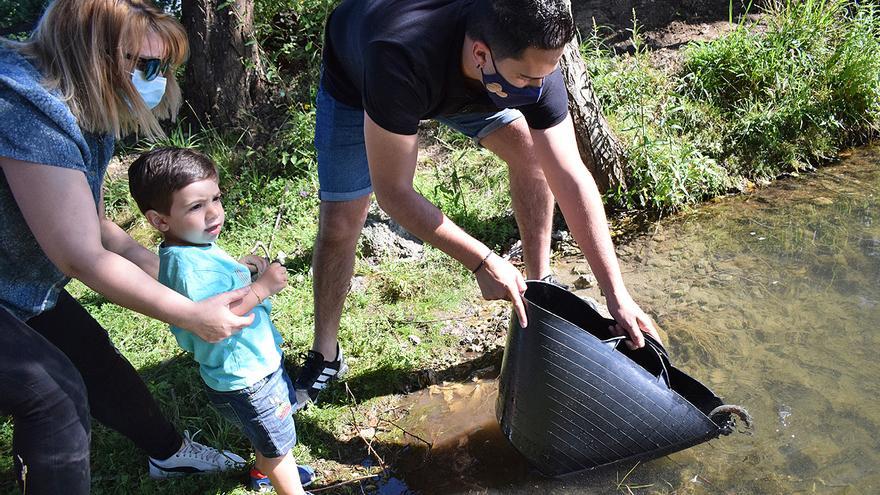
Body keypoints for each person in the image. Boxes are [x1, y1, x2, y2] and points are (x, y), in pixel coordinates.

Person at [293, 0, 663, 407]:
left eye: (547, 75)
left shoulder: (532, 61)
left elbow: (570, 175)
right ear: (481, 54)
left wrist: (617, 293)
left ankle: (537, 291)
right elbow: (395, 193)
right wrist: (483, 261)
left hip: (474, 81)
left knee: (533, 155)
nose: (537, 91)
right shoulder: (397, 57)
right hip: (363, 79)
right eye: (527, 77)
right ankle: (326, 354)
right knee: (342, 222)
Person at [0, 0, 256, 491]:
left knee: (91, 354)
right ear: (89, 53)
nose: (156, 78)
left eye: (165, 66)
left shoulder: (87, 104)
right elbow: (80, 256)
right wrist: (190, 315)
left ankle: (170, 454)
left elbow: (94, 225)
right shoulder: (25, 104)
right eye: (146, 64)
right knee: (52, 394)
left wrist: (185, 275)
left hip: (18, 283)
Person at [128, 147, 314, 495]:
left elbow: (217, 287)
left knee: (270, 432)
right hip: (247, 377)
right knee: (278, 445)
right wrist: (262, 288)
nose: (213, 212)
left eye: (215, 198)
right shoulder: (190, 266)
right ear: (160, 220)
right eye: (196, 207)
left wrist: (242, 271)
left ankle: (262, 474)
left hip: (252, 368)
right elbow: (218, 316)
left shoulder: (189, 246)